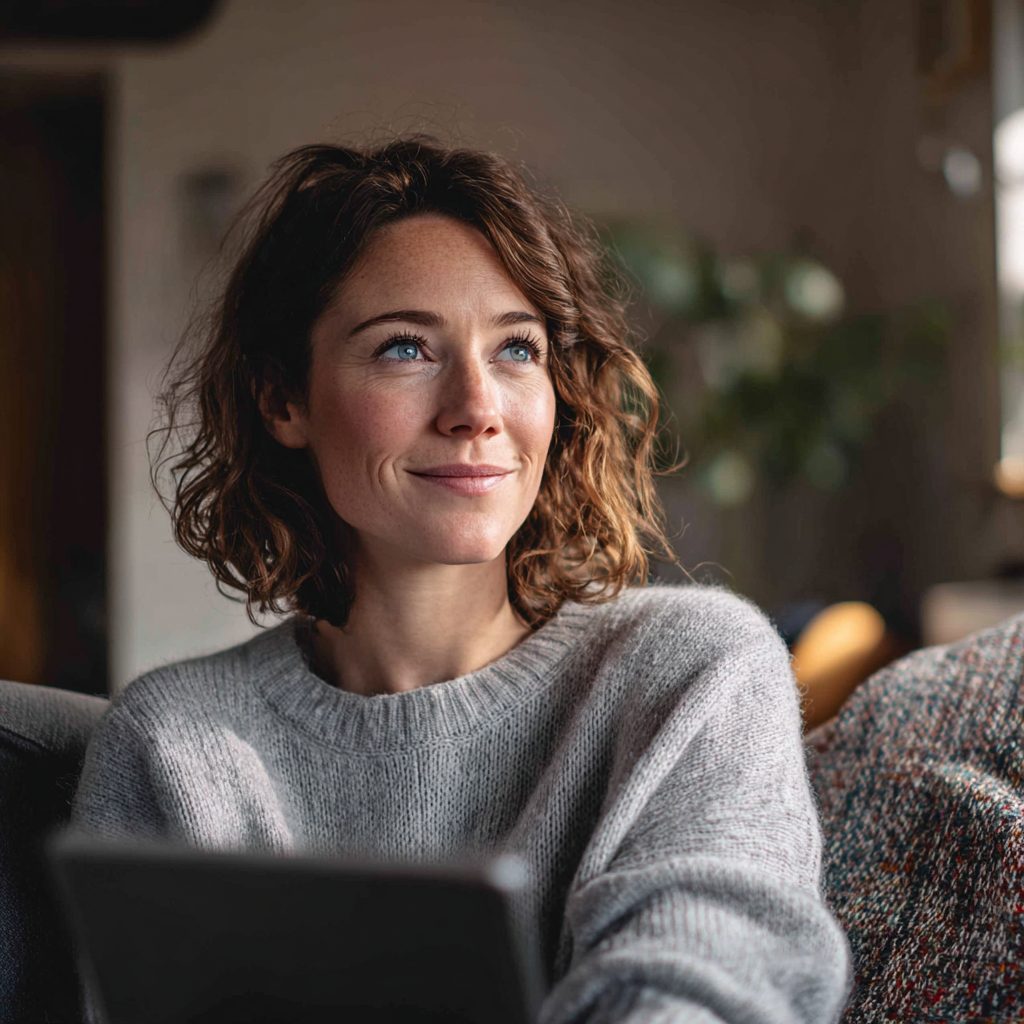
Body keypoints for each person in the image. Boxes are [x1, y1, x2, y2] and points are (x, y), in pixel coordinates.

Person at [72, 137, 853, 1022]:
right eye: (405, 348)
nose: (478, 409)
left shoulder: (690, 672)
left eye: (517, 349)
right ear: (282, 398)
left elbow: (701, 993)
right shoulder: (172, 746)